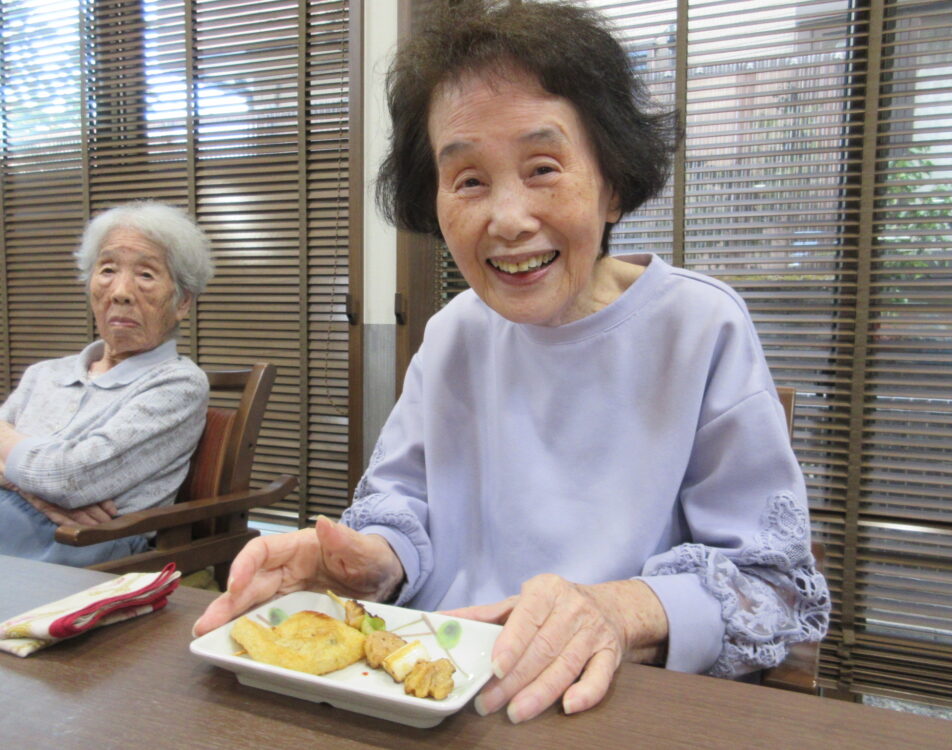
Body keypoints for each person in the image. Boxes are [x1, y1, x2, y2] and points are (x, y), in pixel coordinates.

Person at [193, 0, 830, 723]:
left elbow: (773, 585)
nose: (507, 218)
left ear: (613, 180)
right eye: (468, 180)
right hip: (428, 699)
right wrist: (372, 558)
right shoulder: (454, 331)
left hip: (603, 704)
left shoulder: (700, 326)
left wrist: (619, 608)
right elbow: (403, 506)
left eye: (543, 167)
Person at [0, 200, 214, 565]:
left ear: (182, 302)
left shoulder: (178, 385)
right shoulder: (45, 373)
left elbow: (71, 478)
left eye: (146, 274)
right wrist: (33, 490)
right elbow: (54, 486)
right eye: (108, 269)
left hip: (76, 548)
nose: (121, 291)